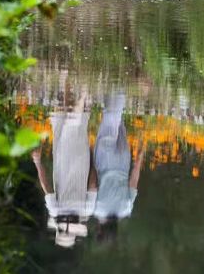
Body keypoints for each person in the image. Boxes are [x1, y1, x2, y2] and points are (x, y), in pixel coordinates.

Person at [31, 86, 97, 248]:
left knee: (70, 121)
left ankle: (71, 82)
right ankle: (81, 90)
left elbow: (93, 185)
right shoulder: (56, 211)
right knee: (66, 120)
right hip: (62, 158)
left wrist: (92, 158)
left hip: (80, 160)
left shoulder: (86, 210)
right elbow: (47, 187)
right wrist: (38, 162)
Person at [93, 92, 145, 223]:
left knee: (117, 120)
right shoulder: (97, 210)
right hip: (105, 162)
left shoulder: (126, 210)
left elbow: (133, 182)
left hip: (123, 162)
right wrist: (90, 161)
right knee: (110, 121)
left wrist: (138, 160)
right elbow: (93, 185)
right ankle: (120, 84)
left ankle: (113, 85)